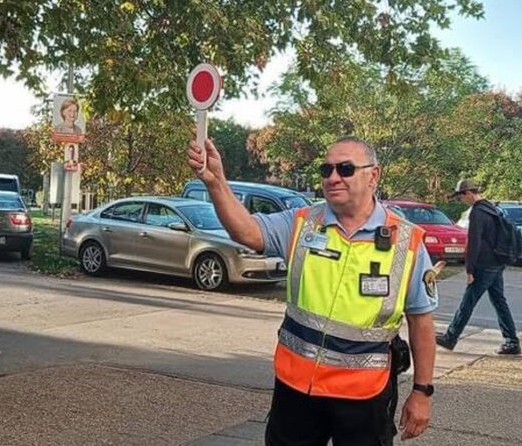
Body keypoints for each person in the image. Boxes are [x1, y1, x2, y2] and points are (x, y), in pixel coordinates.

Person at [188, 135, 439, 444]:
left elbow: (421, 321)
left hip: (364, 395)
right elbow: (247, 231)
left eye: (345, 169)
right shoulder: (302, 223)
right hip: (297, 388)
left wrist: (422, 392)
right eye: (326, 169)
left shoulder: (405, 241)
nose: (333, 178)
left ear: (373, 175)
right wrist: (216, 182)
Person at [436, 179, 521, 355]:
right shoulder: (492, 208)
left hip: (484, 264)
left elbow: (474, 242)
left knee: (468, 302)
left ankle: (451, 337)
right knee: (499, 301)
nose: (461, 201)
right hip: (497, 262)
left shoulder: (477, 212)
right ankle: (512, 341)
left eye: (460, 197)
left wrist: (470, 269)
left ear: (468, 193)